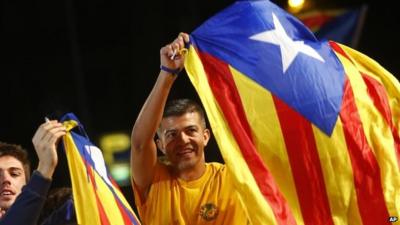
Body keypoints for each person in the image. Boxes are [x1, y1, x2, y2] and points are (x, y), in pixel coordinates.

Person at [131, 32, 249, 224]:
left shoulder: (235, 178)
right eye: (172, 134)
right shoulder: (154, 181)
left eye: (190, 131)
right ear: (160, 145)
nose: (183, 140)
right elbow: (139, 144)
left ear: (206, 136)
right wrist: (166, 74)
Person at [0, 120, 76, 225]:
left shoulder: (59, 209)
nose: (6, 179)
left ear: (27, 184)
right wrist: (45, 167)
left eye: (14, 174)